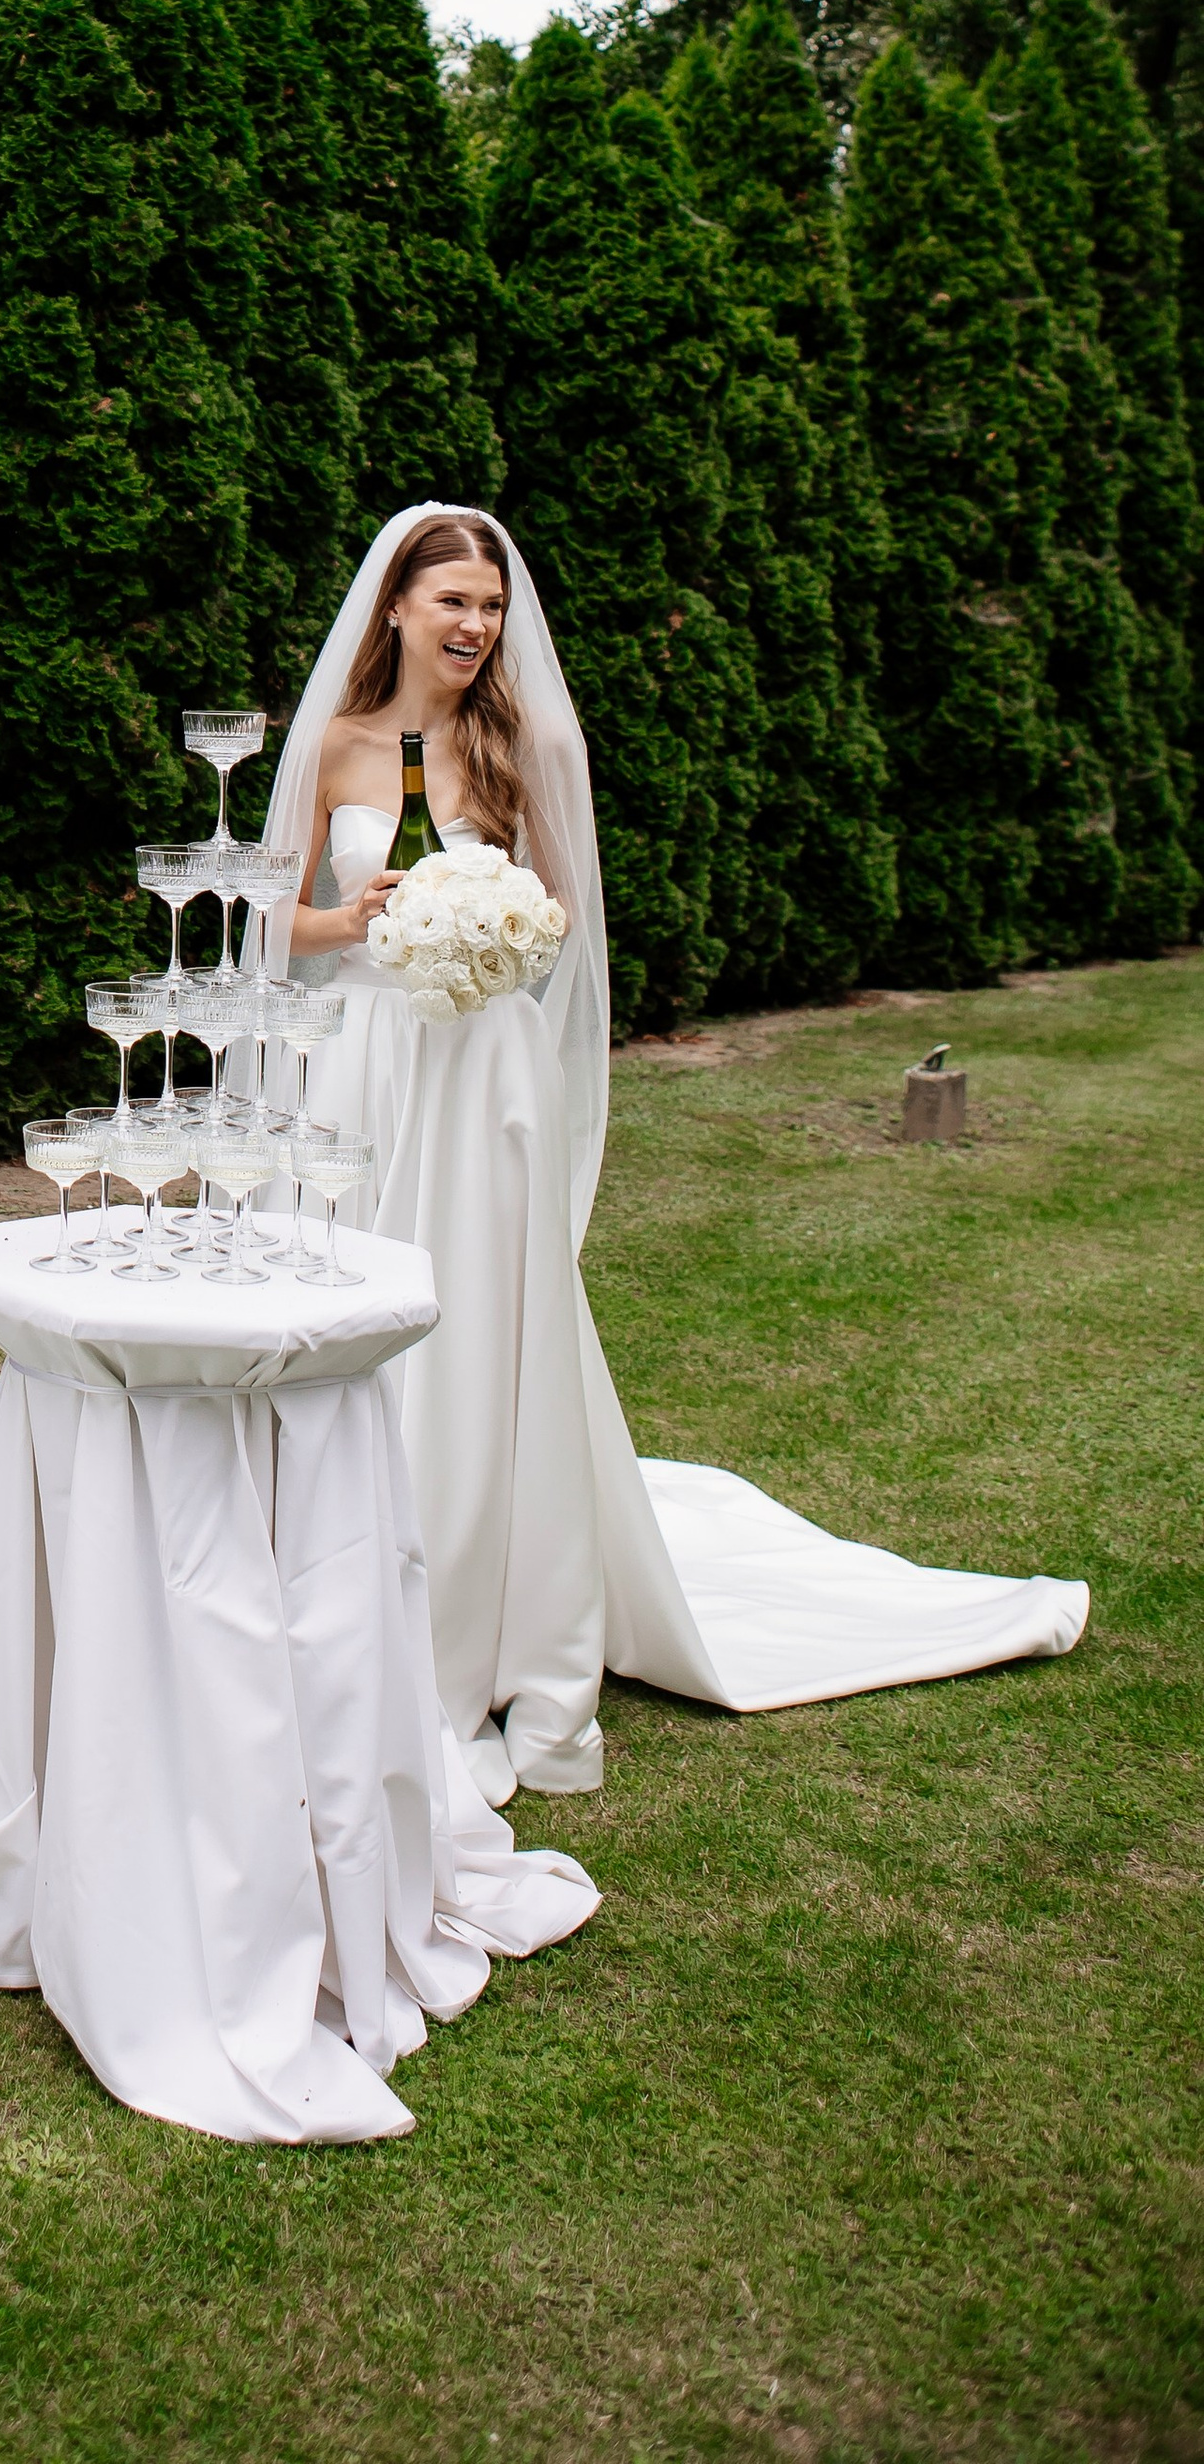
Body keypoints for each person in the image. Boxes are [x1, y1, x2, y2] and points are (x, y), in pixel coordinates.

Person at [269, 503, 1088, 1805]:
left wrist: (480, 924)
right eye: (453, 604)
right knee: (360, 1315)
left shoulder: (522, 742)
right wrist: (359, 920)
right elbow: (278, 929)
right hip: (368, 1075)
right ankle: (340, 1579)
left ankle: (481, 1605)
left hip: (483, 1079)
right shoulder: (335, 743)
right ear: (395, 611)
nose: (477, 627)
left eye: (491, 604)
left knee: (481, 1328)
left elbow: (560, 928)